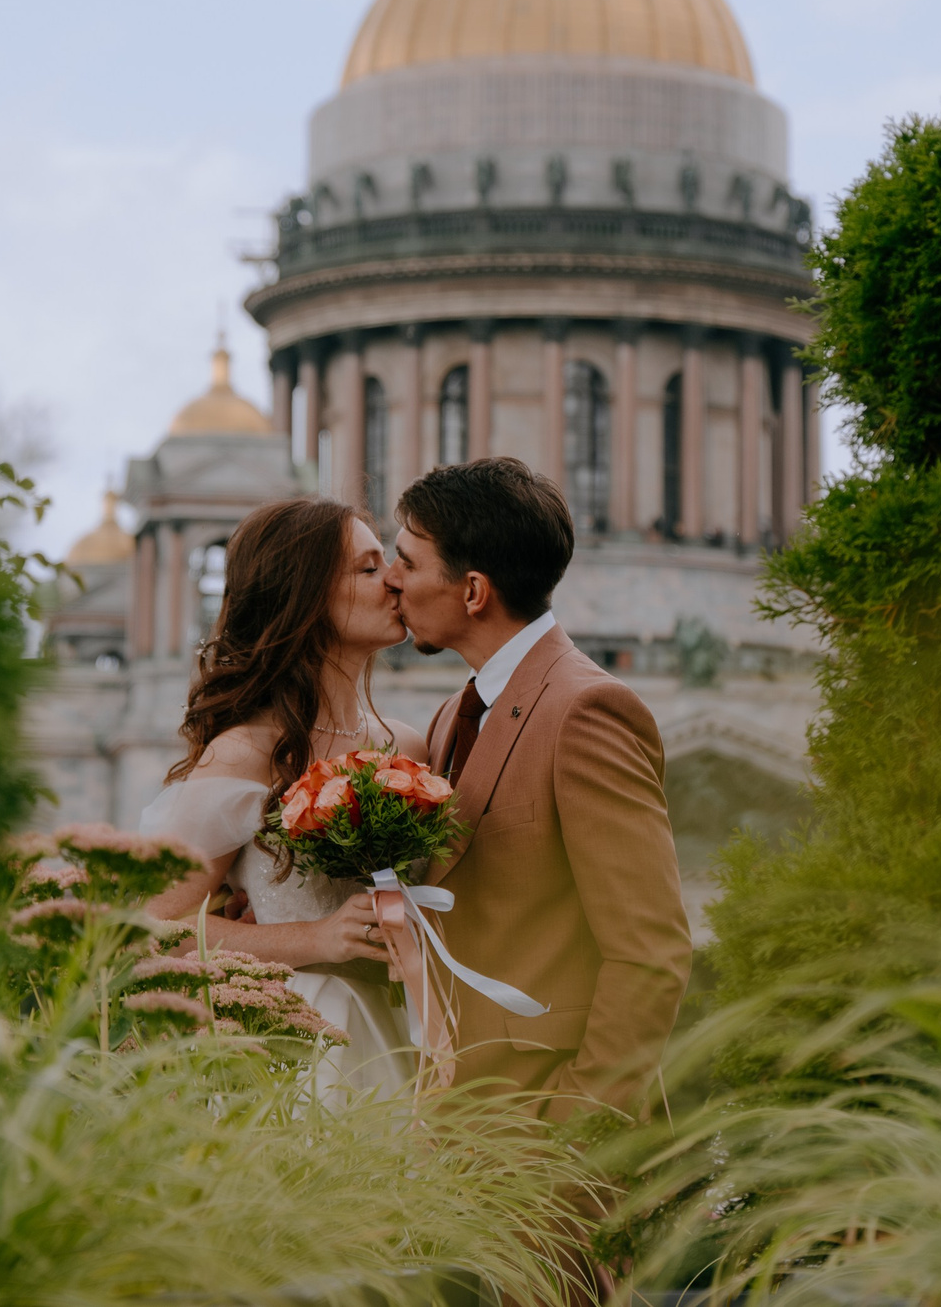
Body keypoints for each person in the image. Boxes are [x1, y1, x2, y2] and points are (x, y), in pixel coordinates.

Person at [381, 457, 691, 1120]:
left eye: (406, 561)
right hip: (456, 1126)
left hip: (546, 1145)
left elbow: (650, 953)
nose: (390, 579)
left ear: (472, 591)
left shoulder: (587, 711)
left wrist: (568, 1131)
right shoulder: (450, 716)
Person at [139, 495, 426, 1102]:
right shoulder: (244, 752)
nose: (395, 581)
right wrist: (316, 939)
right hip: (297, 1040)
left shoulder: (410, 747)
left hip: (407, 1031)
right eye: (369, 568)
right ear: (305, 593)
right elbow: (156, 928)